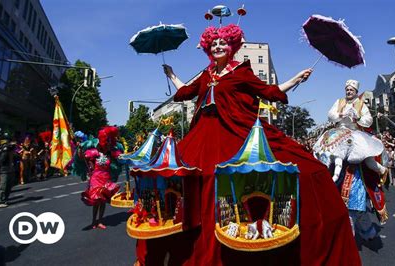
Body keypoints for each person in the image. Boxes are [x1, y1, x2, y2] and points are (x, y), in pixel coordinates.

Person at [138, 24, 361, 265]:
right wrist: (171, 74)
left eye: (222, 43)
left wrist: (296, 78)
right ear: (207, 49)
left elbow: (269, 91)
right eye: (213, 44)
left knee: (308, 170)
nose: (218, 46)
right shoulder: (206, 74)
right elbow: (185, 92)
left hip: (237, 132)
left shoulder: (242, 71)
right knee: (176, 175)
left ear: (232, 46)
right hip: (202, 136)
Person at [314, 79, 388, 182]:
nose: (349, 91)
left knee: (366, 158)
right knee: (325, 147)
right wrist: (340, 115)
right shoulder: (339, 102)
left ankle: (382, 170)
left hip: (355, 132)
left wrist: (358, 118)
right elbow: (330, 115)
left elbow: (369, 120)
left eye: (351, 90)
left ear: (356, 92)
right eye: (347, 90)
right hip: (339, 130)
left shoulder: (361, 104)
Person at [80, 126, 122, 229]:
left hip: (106, 179)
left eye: (109, 142)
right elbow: (82, 157)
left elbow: (120, 158)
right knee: (96, 201)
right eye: (106, 142)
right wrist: (80, 150)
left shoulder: (110, 154)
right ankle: (94, 221)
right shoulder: (94, 153)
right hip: (96, 179)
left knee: (103, 201)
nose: (108, 144)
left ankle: (100, 221)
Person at [0, 133, 16, 208]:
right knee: (3, 186)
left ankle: (5, 199)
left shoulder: (9, 149)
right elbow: (2, 160)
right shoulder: (4, 149)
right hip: (4, 170)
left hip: (10, 169)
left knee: (9, 185)